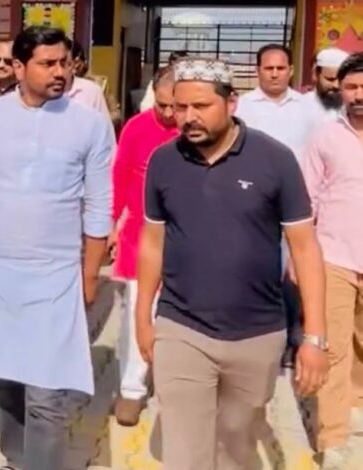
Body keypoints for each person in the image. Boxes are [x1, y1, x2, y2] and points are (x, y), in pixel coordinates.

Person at [136, 57, 329, 470]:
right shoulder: (164, 161)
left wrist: (314, 338)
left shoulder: (275, 160)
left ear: (231, 103)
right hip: (181, 327)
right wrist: (142, 316)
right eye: (180, 107)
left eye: (201, 106)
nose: (188, 117)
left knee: (235, 447)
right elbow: (152, 242)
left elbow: (305, 249)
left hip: (257, 334)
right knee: (185, 450)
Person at [0, 26, 114, 470]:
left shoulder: (90, 124)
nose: (60, 72)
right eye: (48, 63)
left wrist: (89, 276)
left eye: (65, 63)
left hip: (57, 277)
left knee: (47, 397)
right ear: (18, 67)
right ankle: (16, 461)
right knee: (7, 384)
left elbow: (99, 207)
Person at [236, 43, 318, 369]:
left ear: (291, 71)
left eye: (280, 68)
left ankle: (293, 338)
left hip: (295, 205)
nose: (274, 74)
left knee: (294, 273)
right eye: (268, 68)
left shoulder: (307, 109)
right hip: (251, 202)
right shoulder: (242, 107)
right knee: (255, 269)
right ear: (258, 70)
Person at [301, 52, 363, 470]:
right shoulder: (325, 136)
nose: (358, 95)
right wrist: (299, 255)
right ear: (339, 89)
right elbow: (306, 199)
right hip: (334, 255)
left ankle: (355, 403)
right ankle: (334, 439)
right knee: (335, 348)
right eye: (351, 87)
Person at [110, 65, 179, 427]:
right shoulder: (137, 128)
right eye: (162, 104)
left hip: (188, 239)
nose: (167, 113)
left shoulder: (196, 128)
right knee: (139, 311)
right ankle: (132, 389)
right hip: (140, 236)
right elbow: (119, 177)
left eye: (174, 106)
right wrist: (108, 224)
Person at [305, 47, 349, 123]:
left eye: (341, 80)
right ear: (315, 74)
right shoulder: (301, 106)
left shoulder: (353, 107)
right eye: (330, 79)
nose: (336, 86)